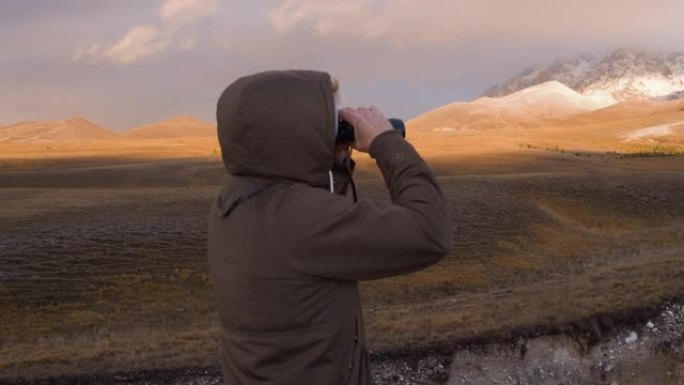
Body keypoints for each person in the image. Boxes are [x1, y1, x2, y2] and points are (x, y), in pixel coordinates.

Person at [208, 70, 452, 385]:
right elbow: (430, 231)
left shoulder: (235, 200)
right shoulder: (301, 219)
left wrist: (332, 160)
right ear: (297, 133)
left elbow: (320, 225)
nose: (337, 130)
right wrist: (386, 142)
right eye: (330, 123)